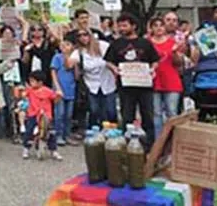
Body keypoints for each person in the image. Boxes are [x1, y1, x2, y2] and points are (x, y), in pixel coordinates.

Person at [105, 13, 159, 150]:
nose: (121, 28)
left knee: (147, 115)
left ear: (133, 26)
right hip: (125, 86)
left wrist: (152, 70)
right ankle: (127, 144)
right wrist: (114, 69)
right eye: (119, 26)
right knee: (127, 115)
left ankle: (150, 145)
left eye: (125, 25)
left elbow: (155, 60)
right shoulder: (116, 44)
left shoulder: (145, 43)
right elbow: (108, 61)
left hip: (144, 85)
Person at [148, 12, 185, 137]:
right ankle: (158, 143)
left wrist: (175, 53)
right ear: (151, 28)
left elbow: (179, 64)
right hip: (153, 82)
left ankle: (173, 142)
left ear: (165, 28)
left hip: (171, 81)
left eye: (161, 25)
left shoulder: (173, 42)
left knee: (172, 112)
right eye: (155, 25)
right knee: (156, 113)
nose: (159, 28)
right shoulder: (147, 43)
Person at [71, 29, 117, 127]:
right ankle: (94, 131)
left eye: (85, 34)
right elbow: (70, 62)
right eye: (80, 36)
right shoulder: (79, 52)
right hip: (91, 85)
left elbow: (113, 57)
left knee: (110, 111)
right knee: (94, 110)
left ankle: (112, 132)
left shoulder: (103, 45)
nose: (83, 38)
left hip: (108, 82)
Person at [21, 71, 62, 161]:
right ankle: (26, 148)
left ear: (40, 82)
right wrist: (23, 93)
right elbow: (23, 95)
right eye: (30, 81)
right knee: (29, 131)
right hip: (33, 114)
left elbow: (55, 100)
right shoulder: (30, 90)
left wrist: (59, 96)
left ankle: (53, 150)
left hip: (46, 115)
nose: (31, 83)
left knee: (51, 132)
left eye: (33, 81)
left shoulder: (47, 91)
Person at [50, 40, 76, 146]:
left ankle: (67, 134)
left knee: (68, 114)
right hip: (59, 88)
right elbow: (53, 72)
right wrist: (57, 87)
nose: (65, 47)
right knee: (59, 113)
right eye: (63, 45)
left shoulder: (74, 58)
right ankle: (58, 135)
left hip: (71, 88)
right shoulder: (57, 57)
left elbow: (73, 71)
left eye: (68, 44)